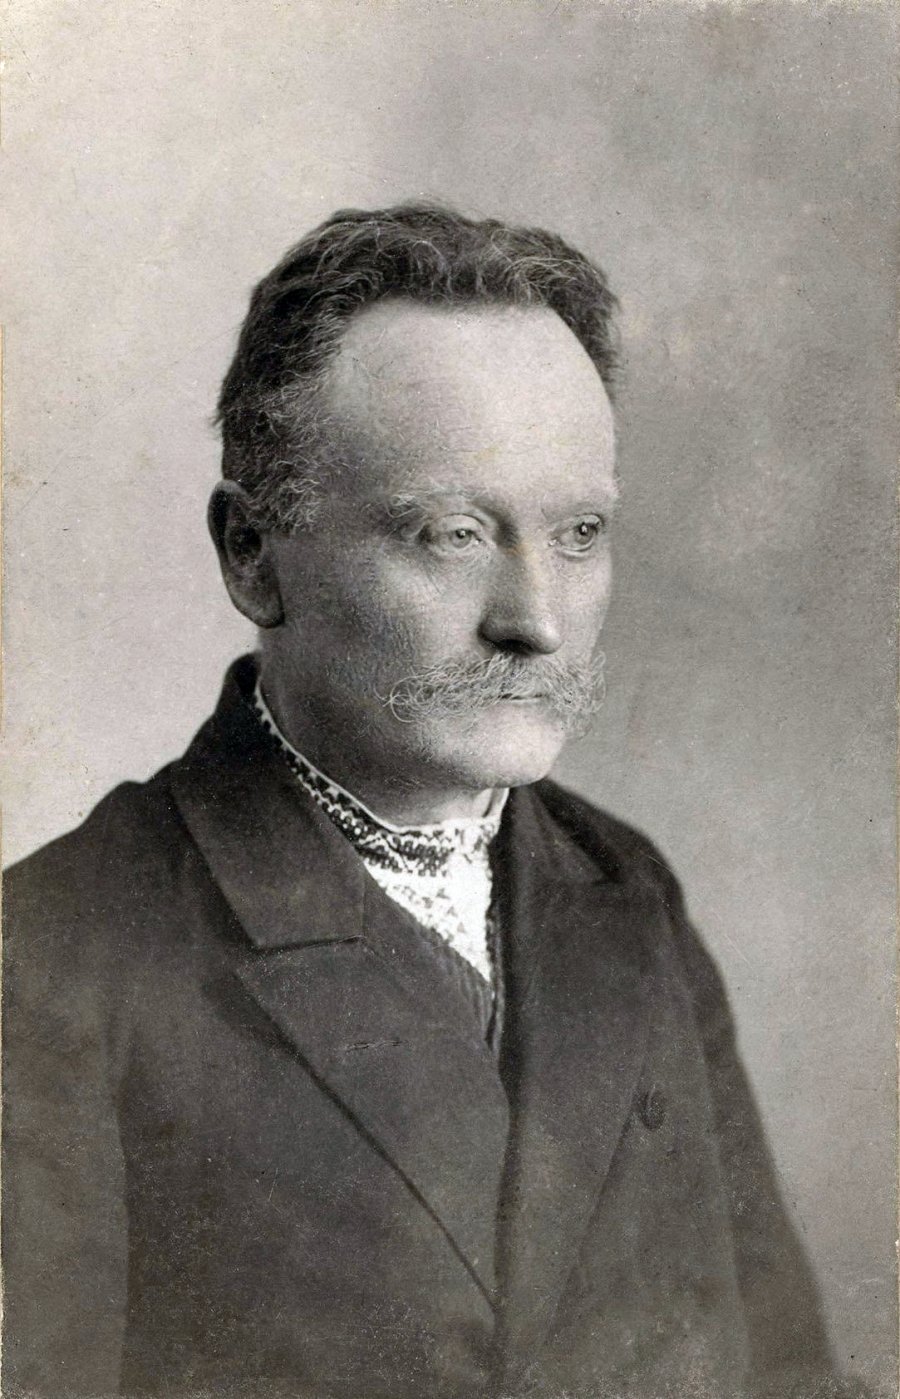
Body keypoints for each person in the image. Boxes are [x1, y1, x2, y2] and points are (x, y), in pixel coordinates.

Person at [3, 205, 860, 1399]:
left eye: (580, 532)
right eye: (455, 534)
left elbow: (787, 1377)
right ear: (252, 552)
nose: (536, 618)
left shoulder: (626, 893)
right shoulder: (54, 949)